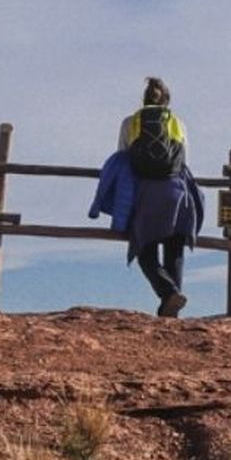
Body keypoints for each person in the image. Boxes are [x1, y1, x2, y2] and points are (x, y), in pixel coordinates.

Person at [90, 76, 203, 317]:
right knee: (175, 250)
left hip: (146, 193)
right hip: (177, 193)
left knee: (145, 249)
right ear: (167, 101)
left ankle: (169, 293)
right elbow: (185, 160)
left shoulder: (130, 122)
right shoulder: (178, 123)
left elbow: (122, 154)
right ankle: (171, 307)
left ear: (144, 100)